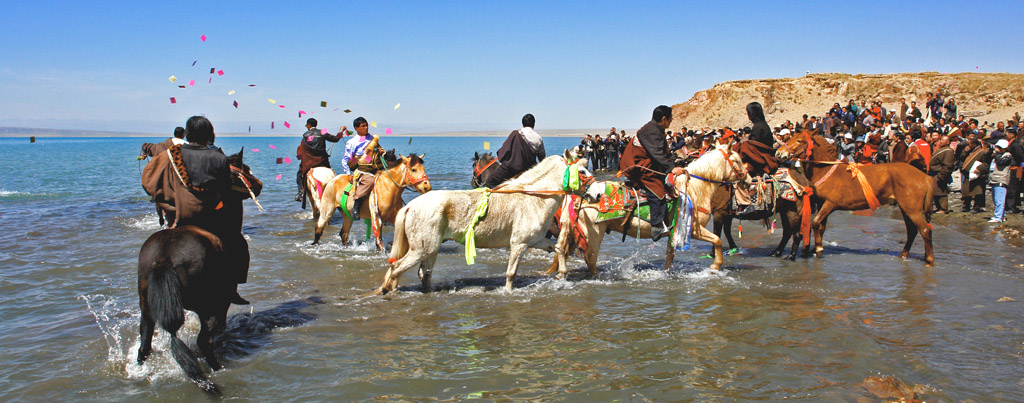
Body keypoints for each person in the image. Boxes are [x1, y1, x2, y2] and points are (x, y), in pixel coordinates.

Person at [141, 116, 249, 305]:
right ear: (209, 134)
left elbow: (148, 181)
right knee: (239, 245)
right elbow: (225, 188)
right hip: (209, 217)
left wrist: (170, 203)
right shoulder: (219, 158)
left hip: (179, 216)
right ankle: (231, 290)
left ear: (187, 134)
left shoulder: (171, 154)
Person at [620, 105, 685, 241]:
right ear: (663, 119)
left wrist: (674, 161)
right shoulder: (651, 131)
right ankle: (656, 227)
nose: (672, 120)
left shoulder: (655, 129)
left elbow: (661, 152)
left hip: (647, 162)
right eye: (670, 118)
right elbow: (656, 153)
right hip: (638, 165)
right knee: (657, 189)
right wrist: (671, 168)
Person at [484, 114, 545, 188]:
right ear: (534, 124)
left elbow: (505, 150)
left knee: (490, 182)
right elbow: (542, 159)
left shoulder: (515, 133)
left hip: (510, 169)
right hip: (529, 171)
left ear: (522, 124)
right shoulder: (538, 138)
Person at [341, 117, 381, 219]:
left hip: (375, 165)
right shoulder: (352, 142)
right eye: (363, 126)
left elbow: (377, 150)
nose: (366, 127)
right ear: (356, 128)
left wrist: (382, 152)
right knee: (369, 181)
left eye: (366, 125)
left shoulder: (372, 139)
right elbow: (346, 159)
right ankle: (357, 204)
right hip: (362, 168)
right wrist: (348, 173)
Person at [294, 118, 343, 202]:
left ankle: (300, 193)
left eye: (307, 125)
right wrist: (341, 131)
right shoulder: (322, 132)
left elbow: (302, 150)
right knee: (331, 173)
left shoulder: (306, 135)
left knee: (300, 175)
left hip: (310, 162)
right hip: (322, 161)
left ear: (309, 125)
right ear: (316, 124)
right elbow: (335, 139)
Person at [929, 135, 955, 214]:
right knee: (936, 191)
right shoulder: (942, 149)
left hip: (940, 173)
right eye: (941, 140)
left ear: (948, 142)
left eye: (943, 140)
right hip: (935, 173)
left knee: (941, 191)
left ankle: (943, 208)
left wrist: (942, 176)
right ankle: (938, 207)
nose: (941, 142)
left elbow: (947, 165)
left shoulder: (948, 151)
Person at [989, 139, 1013, 222]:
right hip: (994, 179)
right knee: (995, 200)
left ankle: (998, 217)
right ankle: (1002, 215)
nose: (998, 149)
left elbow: (1000, 162)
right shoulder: (996, 155)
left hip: (1001, 179)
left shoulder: (1008, 155)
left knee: (1000, 200)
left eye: (1000, 147)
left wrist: (997, 153)